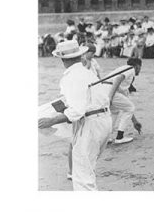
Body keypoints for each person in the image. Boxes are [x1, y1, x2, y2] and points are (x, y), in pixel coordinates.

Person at [38, 40, 112, 191]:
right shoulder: (87, 72)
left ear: (63, 59)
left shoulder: (71, 76)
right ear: (79, 55)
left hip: (90, 124)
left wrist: (51, 120)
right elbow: (75, 102)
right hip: (103, 121)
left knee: (83, 178)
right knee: (86, 171)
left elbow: (76, 111)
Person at [106, 57, 143, 145]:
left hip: (105, 89)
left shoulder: (123, 70)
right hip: (110, 90)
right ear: (137, 66)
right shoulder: (130, 69)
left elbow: (126, 105)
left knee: (115, 111)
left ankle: (106, 137)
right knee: (129, 107)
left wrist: (134, 121)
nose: (139, 71)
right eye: (140, 68)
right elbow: (118, 78)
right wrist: (110, 97)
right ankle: (120, 137)